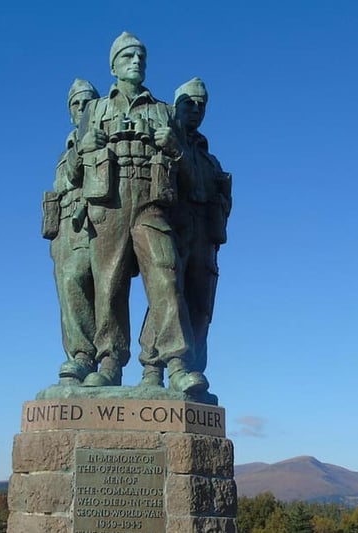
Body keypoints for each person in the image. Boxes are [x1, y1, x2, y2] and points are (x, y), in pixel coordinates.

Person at [76, 32, 207, 393]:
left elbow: (189, 176)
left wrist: (175, 147)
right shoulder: (96, 110)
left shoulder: (164, 110)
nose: (136, 62)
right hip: (109, 202)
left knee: (166, 276)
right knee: (109, 285)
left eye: (141, 58)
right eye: (128, 56)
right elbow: (73, 170)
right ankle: (109, 362)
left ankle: (176, 362)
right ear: (114, 65)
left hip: (151, 201)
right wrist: (84, 149)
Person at [170, 77, 231, 376]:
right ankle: (156, 366)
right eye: (189, 103)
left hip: (205, 238)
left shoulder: (211, 161)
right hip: (175, 231)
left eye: (201, 105)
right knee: (168, 298)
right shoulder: (165, 145)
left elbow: (223, 203)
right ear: (175, 107)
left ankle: (193, 370)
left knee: (201, 306)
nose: (195, 109)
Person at [42, 79, 100, 385]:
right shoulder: (67, 147)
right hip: (62, 227)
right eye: (76, 103)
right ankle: (77, 360)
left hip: (89, 222)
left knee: (78, 279)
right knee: (67, 293)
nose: (82, 108)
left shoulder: (98, 140)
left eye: (88, 102)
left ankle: (86, 354)